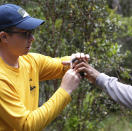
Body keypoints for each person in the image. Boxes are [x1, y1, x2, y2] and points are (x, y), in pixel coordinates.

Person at [0, 3, 89, 131]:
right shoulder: (2, 79)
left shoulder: (30, 61)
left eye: (32, 32)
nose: (32, 38)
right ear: (4, 37)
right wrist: (65, 90)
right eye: (25, 34)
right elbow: (26, 125)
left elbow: (60, 65)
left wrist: (76, 60)